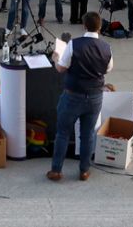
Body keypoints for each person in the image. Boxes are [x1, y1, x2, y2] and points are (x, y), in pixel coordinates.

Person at [49, 12, 113, 182]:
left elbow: (61, 68)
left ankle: (56, 170)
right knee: (87, 134)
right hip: (95, 97)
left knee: (63, 133)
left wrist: (56, 58)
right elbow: (107, 69)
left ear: (84, 26)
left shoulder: (74, 44)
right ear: (99, 27)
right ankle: (84, 170)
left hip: (73, 95)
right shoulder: (107, 47)